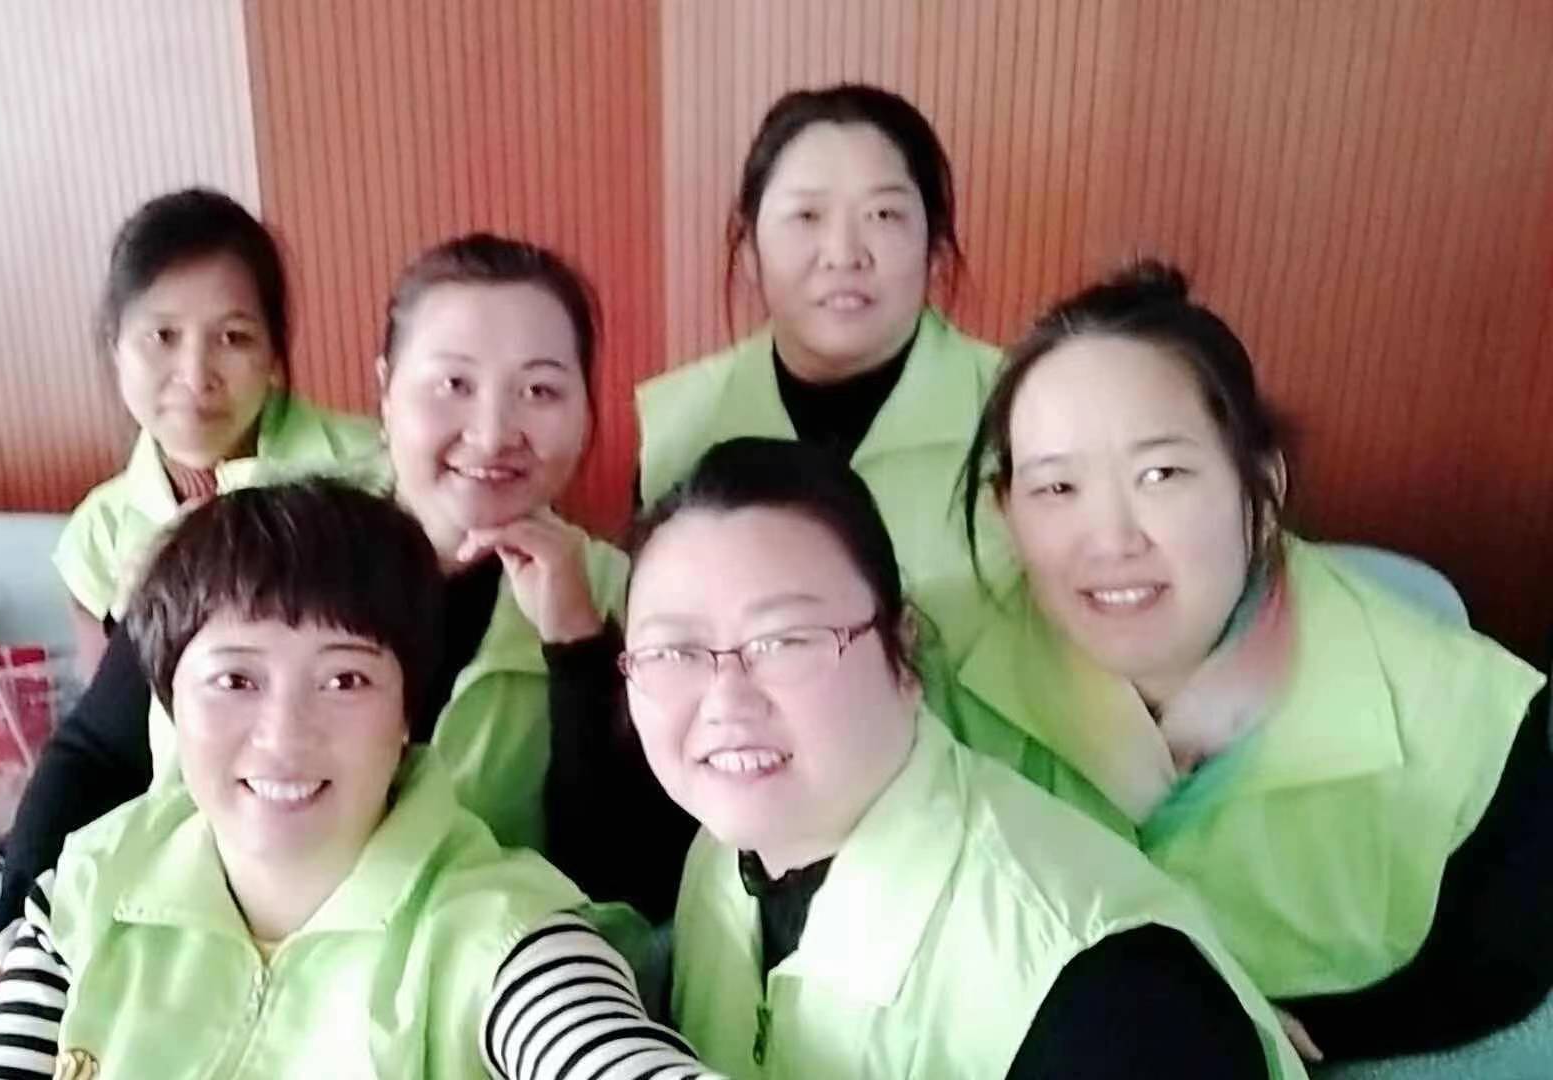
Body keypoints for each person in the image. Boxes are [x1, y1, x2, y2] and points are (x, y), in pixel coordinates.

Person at [0, 234, 689, 1072]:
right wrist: (16, 937)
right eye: (453, 384)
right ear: (386, 389)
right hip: (180, 983)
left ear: (586, 407)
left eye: (540, 389)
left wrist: (578, 652)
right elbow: (95, 752)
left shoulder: (637, 596)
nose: (491, 430)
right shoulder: (255, 539)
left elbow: (629, 885)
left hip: (431, 1023)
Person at [945, 261, 1553, 1061]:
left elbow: (1507, 963)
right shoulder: (924, 671)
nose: (1111, 539)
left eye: (1161, 474)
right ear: (1005, 510)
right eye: (1057, 488)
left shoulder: (1467, 716)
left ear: (1259, 487)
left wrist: (1309, 1033)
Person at [0, 482, 714, 1079]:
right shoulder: (88, 888)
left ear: (408, 711)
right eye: (235, 680)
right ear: (168, 698)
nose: (285, 734)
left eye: (345, 680)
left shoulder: (505, 935)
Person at [622, 437, 1301, 1077]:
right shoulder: (721, 861)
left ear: (904, 651)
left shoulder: (1105, 989)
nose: (726, 701)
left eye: (786, 640)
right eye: (672, 652)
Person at [636, 83, 1012, 660]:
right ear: (750, 252)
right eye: (806, 215)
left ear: (935, 250)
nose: (843, 253)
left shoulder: (1023, 411)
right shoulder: (677, 429)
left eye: (884, 214)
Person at [53, 188, 379, 676]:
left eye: (233, 338)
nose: (195, 375)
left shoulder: (375, 470)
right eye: (163, 336)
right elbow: (107, 717)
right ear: (115, 347)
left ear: (274, 356)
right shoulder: (98, 536)